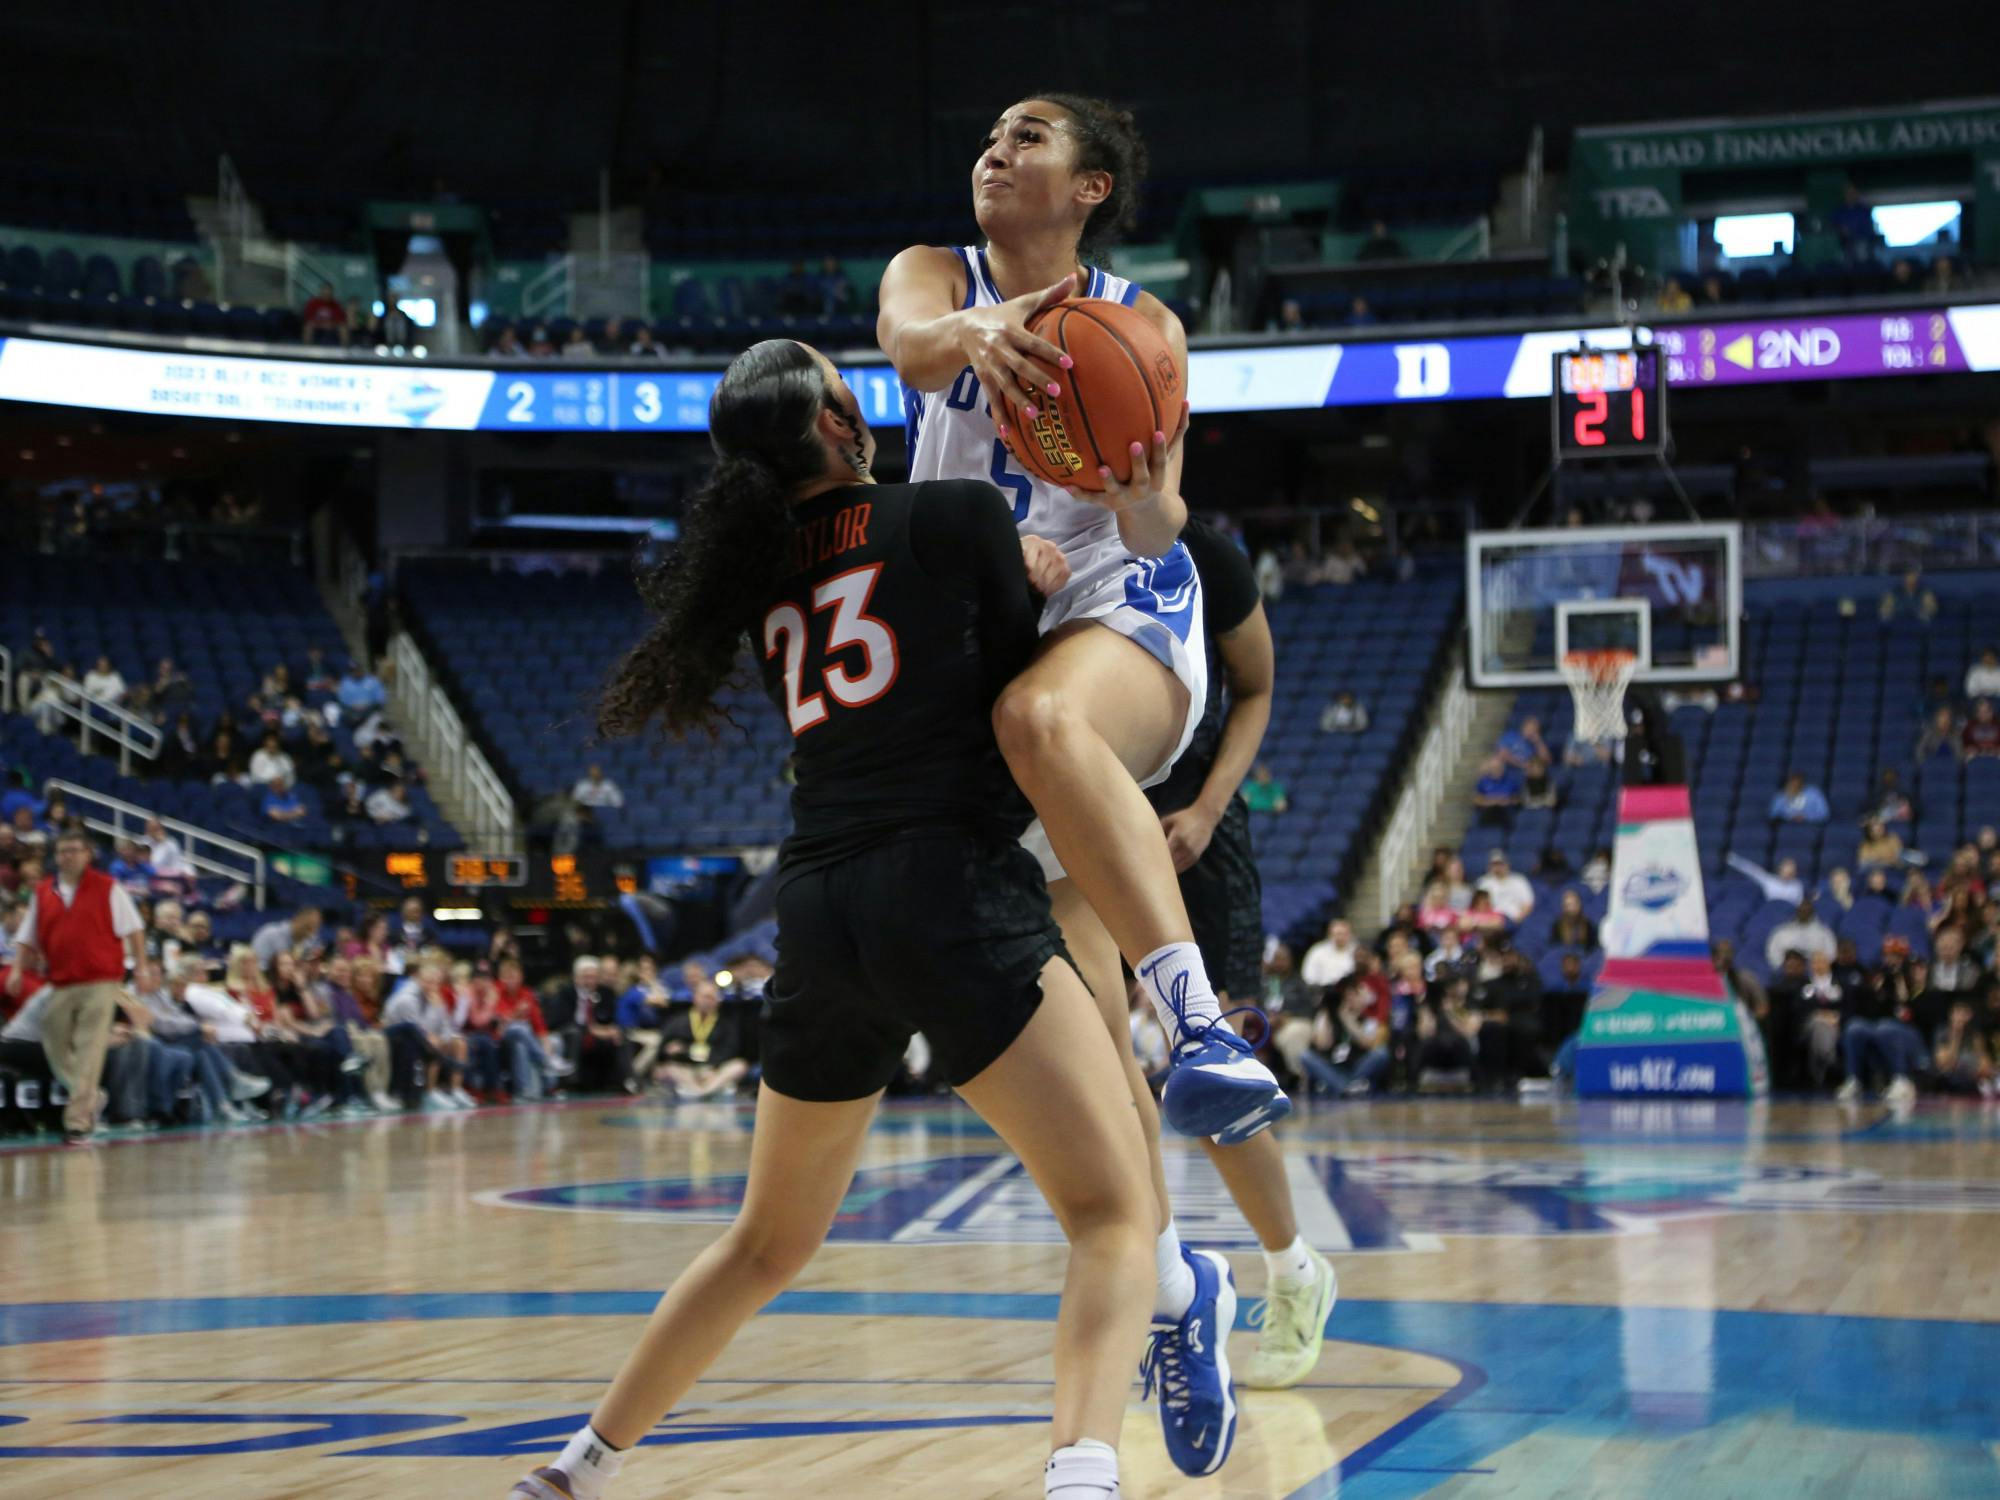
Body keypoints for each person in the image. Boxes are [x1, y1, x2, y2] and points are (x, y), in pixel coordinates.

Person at [510, 338, 1157, 1500]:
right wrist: (1043, 577)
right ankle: (1081, 1480)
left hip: (814, 908)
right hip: (944, 882)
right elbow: (1025, 708)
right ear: (841, 422)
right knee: (1115, 1214)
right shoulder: (952, 516)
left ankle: (574, 1469)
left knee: (766, 1242)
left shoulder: (757, 581)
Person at [878, 93, 1284, 1479]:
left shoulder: (1141, 328)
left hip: (1120, 628)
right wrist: (975, 340)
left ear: (1092, 186)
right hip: (980, 667)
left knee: (1044, 718)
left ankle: (1200, 1016)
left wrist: (1141, 509)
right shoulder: (935, 279)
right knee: (1086, 1108)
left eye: (1031, 136)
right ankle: (1179, 1293)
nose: (997, 146)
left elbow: (1159, 518)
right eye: (988, 131)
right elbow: (907, 343)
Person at [1140, 516, 1339, 1390]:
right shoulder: (1033, 538)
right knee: (1096, 1074)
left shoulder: (1205, 551)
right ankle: (1164, 1289)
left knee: (1214, 1073)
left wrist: (1212, 807)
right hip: (1074, 836)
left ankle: (1295, 1269)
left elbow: (1255, 688)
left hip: (1193, 836)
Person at [9, 828, 148, 1144]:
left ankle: (78, 1122)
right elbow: (27, 936)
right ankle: (88, 1094)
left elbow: (135, 929)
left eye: (73, 850)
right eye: (62, 851)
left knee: (89, 1046)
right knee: (53, 1036)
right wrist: (17, 969)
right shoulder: (45, 892)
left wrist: (140, 966)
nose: (67, 856)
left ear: (87, 854)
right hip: (61, 980)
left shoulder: (108, 887)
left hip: (101, 978)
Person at [657, 976, 748, 1100]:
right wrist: (677, 1050)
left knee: (739, 1066)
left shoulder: (726, 1023)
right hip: (686, 1067)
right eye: (704, 996)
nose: (707, 1001)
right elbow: (664, 1049)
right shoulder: (678, 1021)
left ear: (718, 1001)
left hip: (714, 1069)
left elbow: (730, 1050)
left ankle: (702, 1092)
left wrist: (711, 1068)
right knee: (669, 1069)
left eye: (711, 997)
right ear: (695, 998)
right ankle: (710, 1089)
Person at [1765, 899, 1837, 971]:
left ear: (1812, 911)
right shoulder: (1781, 932)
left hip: (1814, 974)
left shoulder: (1825, 933)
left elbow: (1831, 955)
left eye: (1807, 910)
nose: (1804, 912)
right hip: (1786, 975)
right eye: (1801, 910)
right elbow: (1773, 956)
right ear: (1797, 911)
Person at [1478, 852, 1535, 924]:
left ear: (1507, 864)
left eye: (1500, 864)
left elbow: (1528, 904)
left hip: (1513, 918)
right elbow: (1479, 905)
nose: (1498, 867)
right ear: (1489, 866)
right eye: (1495, 864)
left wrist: (1519, 919)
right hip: (1490, 918)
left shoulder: (1519, 880)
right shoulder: (1484, 883)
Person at [1471, 753, 1523, 820]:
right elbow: (1476, 799)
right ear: (1490, 769)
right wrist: (1489, 802)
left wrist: (1507, 801)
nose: (1497, 770)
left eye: (1499, 767)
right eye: (1494, 768)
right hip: (1488, 810)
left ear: (1503, 768)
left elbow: (1518, 799)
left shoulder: (1511, 781)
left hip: (1506, 810)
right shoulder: (1483, 781)